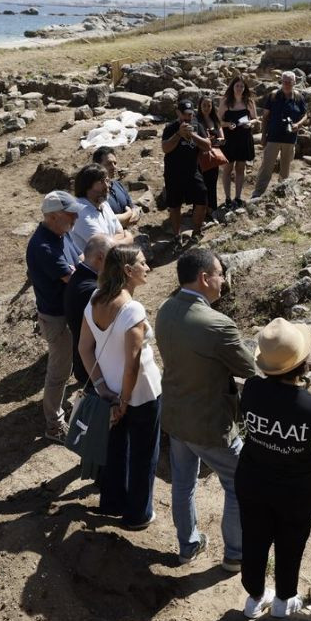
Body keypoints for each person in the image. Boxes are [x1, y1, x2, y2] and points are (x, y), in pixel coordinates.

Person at [154, 247, 256, 568]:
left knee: (183, 484)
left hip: (175, 415)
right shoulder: (218, 324)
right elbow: (248, 368)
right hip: (210, 424)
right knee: (240, 484)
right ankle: (236, 555)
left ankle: (188, 546)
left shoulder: (165, 310)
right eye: (220, 274)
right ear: (204, 278)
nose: (223, 281)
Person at [235, 318, 311, 619]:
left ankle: (254, 597)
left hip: (253, 478)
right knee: (291, 542)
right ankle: (283, 599)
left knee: (253, 538)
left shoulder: (252, 389)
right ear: (303, 363)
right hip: (297, 488)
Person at [77, 245, 163, 529]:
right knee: (144, 454)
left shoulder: (94, 299)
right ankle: (138, 515)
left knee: (116, 450)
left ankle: (112, 502)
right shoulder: (132, 309)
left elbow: (84, 348)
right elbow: (133, 364)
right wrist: (125, 401)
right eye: (142, 262)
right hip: (141, 393)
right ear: (128, 271)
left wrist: (104, 390)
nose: (147, 267)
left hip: (110, 390)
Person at [25, 190, 83, 443]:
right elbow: (75, 276)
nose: (75, 219)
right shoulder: (44, 246)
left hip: (68, 312)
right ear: (54, 216)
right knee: (59, 371)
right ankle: (53, 426)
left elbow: (79, 261)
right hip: (57, 318)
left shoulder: (62, 233)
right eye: (71, 215)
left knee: (68, 365)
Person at [64, 233, 114, 389]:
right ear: (100, 257)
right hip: (95, 368)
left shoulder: (79, 277)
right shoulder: (90, 290)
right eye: (113, 258)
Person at [64, 164, 135, 267]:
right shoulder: (80, 212)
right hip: (92, 272)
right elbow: (102, 248)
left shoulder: (104, 204)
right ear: (87, 185)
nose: (107, 186)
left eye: (107, 181)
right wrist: (127, 240)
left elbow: (119, 232)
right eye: (101, 182)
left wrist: (112, 241)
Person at [160, 99, 212, 239]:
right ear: (178, 113)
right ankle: (177, 235)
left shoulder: (197, 126)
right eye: (185, 114)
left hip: (192, 171)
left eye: (191, 114)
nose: (188, 118)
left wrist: (193, 135)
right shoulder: (170, 128)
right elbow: (165, 148)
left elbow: (207, 146)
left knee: (202, 199)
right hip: (173, 173)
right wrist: (178, 135)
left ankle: (196, 231)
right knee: (175, 205)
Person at [251, 71, 307, 199]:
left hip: (290, 138)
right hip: (273, 136)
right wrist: (263, 136)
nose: (286, 84)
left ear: (294, 82)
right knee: (266, 166)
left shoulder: (299, 97)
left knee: (285, 168)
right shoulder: (273, 96)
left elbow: (305, 115)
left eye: (289, 82)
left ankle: (282, 193)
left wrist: (298, 124)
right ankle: (257, 193)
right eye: (284, 81)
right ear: (281, 81)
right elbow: (265, 117)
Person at [216, 74, 256, 208]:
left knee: (240, 168)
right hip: (229, 139)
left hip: (244, 138)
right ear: (232, 87)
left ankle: (238, 197)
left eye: (242, 86)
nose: (239, 88)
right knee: (227, 168)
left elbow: (255, 118)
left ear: (245, 88)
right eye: (237, 85)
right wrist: (227, 124)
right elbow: (218, 122)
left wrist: (250, 124)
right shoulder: (226, 101)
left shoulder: (249, 101)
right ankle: (227, 197)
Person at [91, 145, 142, 226]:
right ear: (97, 165)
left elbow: (132, 206)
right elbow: (100, 220)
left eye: (115, 163)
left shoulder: (118, 185)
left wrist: (135, 212)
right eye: (109, 163)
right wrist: (127, 216)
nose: (114, 167)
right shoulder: (92, 192)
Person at [196, 95, 224, 216]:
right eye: (204, 105)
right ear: (200, 106)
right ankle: (198, 209)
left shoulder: (215, 119)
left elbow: (221, 135)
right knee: (200, 184)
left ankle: (211, 209)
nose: (206, 108)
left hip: (213, 156)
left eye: (209, 105)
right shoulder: (196, 120)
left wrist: (220, 139)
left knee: (212, 183)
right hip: (199, 157)